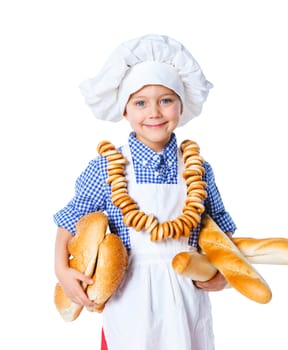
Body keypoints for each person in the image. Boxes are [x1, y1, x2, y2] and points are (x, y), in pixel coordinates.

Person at [54, 34, 237, 350]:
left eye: (166, 100)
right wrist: (62, 270)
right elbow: (72, 220)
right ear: (124, 110)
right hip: (130, 300)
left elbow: (221, 229)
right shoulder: (107, 168)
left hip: (187, 300)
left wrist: (225, 273)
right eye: (140, 102)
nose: (154, 112)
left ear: (182, 106)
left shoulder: (197, 170)